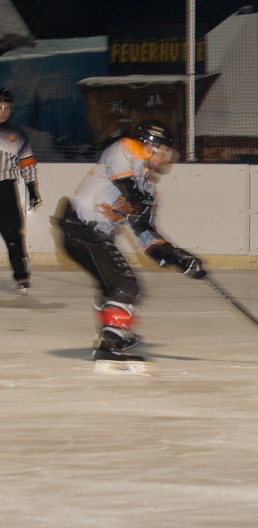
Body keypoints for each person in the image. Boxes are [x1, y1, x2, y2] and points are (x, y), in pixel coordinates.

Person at [54, 119, 206, 375]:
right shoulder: (126, 149)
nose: (166, 158)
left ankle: (111, 336)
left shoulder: (148, 188)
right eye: (164, 151)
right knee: (126, 285)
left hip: (91, 235)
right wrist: (138, 199)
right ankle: (111, 342)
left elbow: (145, 235)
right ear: (149, 145)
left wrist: (176, 257)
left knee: (113, 287)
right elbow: (126, 182)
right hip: (80, 229)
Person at [0, 88, 42, 293]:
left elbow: (27, 163)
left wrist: (32, 188)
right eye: (0, 107)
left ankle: (22, 277)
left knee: (13, 234)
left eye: (7, 108)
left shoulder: (17, 134)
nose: (4, 111)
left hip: (5, 190)